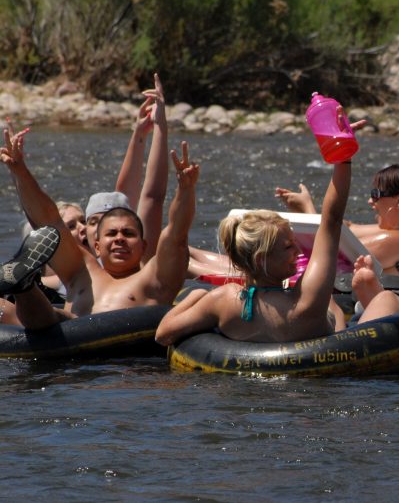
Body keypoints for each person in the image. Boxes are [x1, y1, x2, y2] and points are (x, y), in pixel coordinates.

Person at [155, 122, 354, 345]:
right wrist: (342, 155)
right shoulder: (308, 300)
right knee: (333, 305)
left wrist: (195, 296)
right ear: (261, 259)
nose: (299, 251)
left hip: (244, 374)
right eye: (289, 246)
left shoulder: (222, 300)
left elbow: (162, 335)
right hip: (321, 365)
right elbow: (332, 220)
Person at [0, 125, 199, 329]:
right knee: (56, 318)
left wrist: (185, 189)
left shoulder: (154, 278)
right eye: (111, 233)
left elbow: (176, 235)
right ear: (96, 246)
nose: (119, 238)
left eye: (128, 233)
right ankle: (23, 285)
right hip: (68, 346)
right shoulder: (82, 271)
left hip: (128, 355)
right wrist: (19, 170)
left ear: (143, 245)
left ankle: (24, 285)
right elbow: (50, 222)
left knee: (61, 319)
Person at [276, 164, 399, 274]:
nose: (370, 201)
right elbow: (346, 228)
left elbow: (328, 253)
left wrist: (307, 207)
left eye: (375, 195)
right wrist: (306, 211)